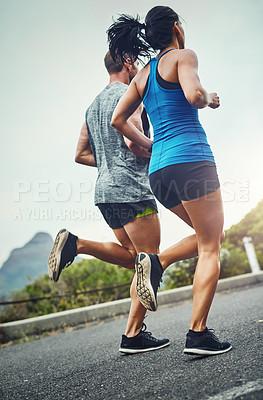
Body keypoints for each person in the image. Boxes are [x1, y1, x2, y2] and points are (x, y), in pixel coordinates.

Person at [107, 6, 232, 356]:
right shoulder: (182, 56)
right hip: (192, 161)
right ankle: (198, 334)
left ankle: (157, 263)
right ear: (176, 27)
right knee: (211, 247)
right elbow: (194, 96)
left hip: (159, 172)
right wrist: (210, 98)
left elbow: (119, 119)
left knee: (213, 235)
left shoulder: (143, 74)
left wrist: (151, 146)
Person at [48, 51, 170, 354]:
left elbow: (80, 154)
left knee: (134, 259)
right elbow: (132, 141)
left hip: (105, 192)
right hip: (132, 189)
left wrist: (108, 163)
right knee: (149, 261)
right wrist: (159, 151)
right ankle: (132, 336)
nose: (138, 68)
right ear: (128, 63)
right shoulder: (130, 94)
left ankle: (77, 245)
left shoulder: (93, 106)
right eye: (136, 62)